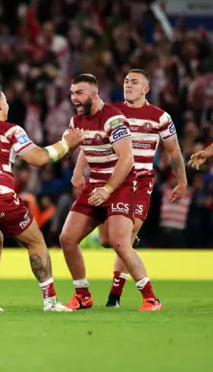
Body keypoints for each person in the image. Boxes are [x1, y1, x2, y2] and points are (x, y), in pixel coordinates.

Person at [0, 84, 83, 312]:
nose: (7, 105)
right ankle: (50, 301)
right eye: (5, 101)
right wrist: (67, 143)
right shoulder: (11, 130)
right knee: (35, 241)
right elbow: (38, 158)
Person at [72, 69, 186, 307]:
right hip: (108, 178)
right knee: (107, 240)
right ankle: (120, 285)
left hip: (140, 182)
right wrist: (78, 170)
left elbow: (173, 151)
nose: (128, 85)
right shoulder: (111, 112)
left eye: (134, 82)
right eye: (125, 81)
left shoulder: (160, 117)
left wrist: (182, 180)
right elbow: (90, 142)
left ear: (146, 89)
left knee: (124, 237)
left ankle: (116, 295)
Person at [60, 73, 162, 312]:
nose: (74, 98)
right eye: (72, 93)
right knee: (67, 239)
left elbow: (127, 159)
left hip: (120, 186)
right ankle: (82, 295)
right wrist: (69, 150)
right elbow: (70, 151)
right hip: (95, 185)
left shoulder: (113, 119)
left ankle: (151, 299)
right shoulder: (76, 121)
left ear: (94, 94)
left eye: (79, 93)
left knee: (119, 243)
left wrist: (108, 189)